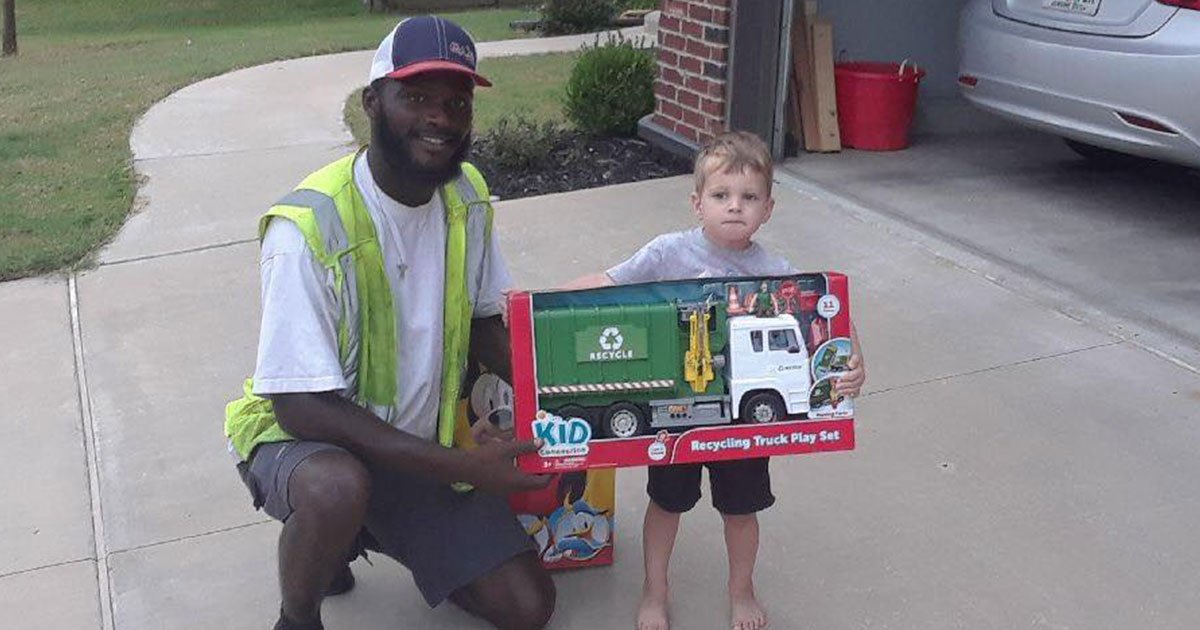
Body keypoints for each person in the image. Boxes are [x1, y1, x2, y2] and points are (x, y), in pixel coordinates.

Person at [223, 16, 555, 630]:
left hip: (412, 449)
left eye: (456, 102)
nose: (441, 118)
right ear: (373, 102)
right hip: (305, 441)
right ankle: (299, 614)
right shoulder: (309, 228)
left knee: (528, 607)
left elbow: (486, 323)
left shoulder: (467, 196)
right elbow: (300, 406)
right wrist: (463, 468)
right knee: (335, 491)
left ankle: (355, 534)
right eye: (418, 97)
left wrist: (561, 404)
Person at [565, 131, 866, 630]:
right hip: (677, 410)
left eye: (749, 198)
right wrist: (534, 302)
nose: (734, 207)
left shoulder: (774, 271)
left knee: (741, 511)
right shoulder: (666, 253)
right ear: (697, 203)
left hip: (741, 421)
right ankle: (654, 590)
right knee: (667, 503)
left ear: (768, 208)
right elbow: (608, 282)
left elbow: (828, 306)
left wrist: (853, 358)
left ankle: (741, 589)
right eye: (721, 196)